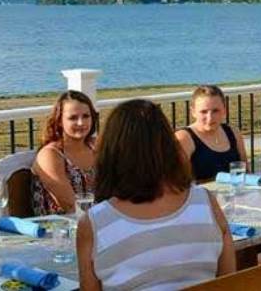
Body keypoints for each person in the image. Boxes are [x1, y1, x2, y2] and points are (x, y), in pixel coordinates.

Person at [77, 100, 236, 291]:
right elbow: (230, 281)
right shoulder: (204, 203)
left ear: (110, 153)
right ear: (169, 145)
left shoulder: (96, 223)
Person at [32, 90, 98, 215]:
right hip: (61, 228)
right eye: (73, 118)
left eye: (86, 116)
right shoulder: (51, 155)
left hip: (98, 220)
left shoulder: (95, 146)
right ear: (59, 121)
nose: (81, 123)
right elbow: (69, 204)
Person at [174, 85, 249, 182]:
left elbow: (246, 172)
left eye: (215, 111)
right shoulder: (184, 138)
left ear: (224, 110)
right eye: (203, 112)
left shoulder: (233, 133)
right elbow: (177, 181)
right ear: (193, 112)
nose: (210, 117)